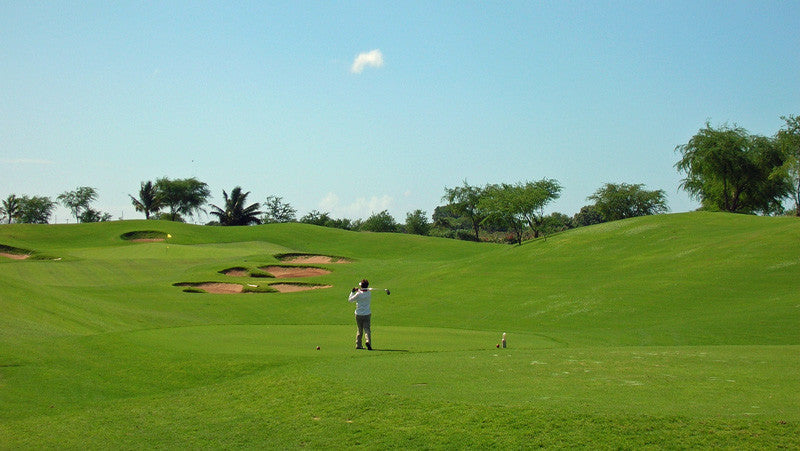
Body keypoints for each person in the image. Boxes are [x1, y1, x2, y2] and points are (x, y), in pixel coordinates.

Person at [348, 279, 373, 350]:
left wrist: (352, 292)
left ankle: (358, 344)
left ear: (361, 286)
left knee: (359, 329)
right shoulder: (369, 293)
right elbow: (365, 291)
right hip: (367, 314)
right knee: (367, 329)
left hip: (358, 314)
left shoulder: (358, 294)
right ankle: (368, 341)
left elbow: (350, 300)